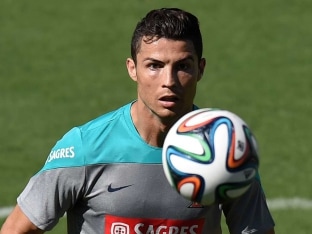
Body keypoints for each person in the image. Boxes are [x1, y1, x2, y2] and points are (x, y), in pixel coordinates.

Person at [0, 8, 275, 234]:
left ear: (200, 69)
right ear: (133, 69)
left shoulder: (226, 150)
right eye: (154, 66)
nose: (169, 82)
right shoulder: (85, 148)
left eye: (182, 66)